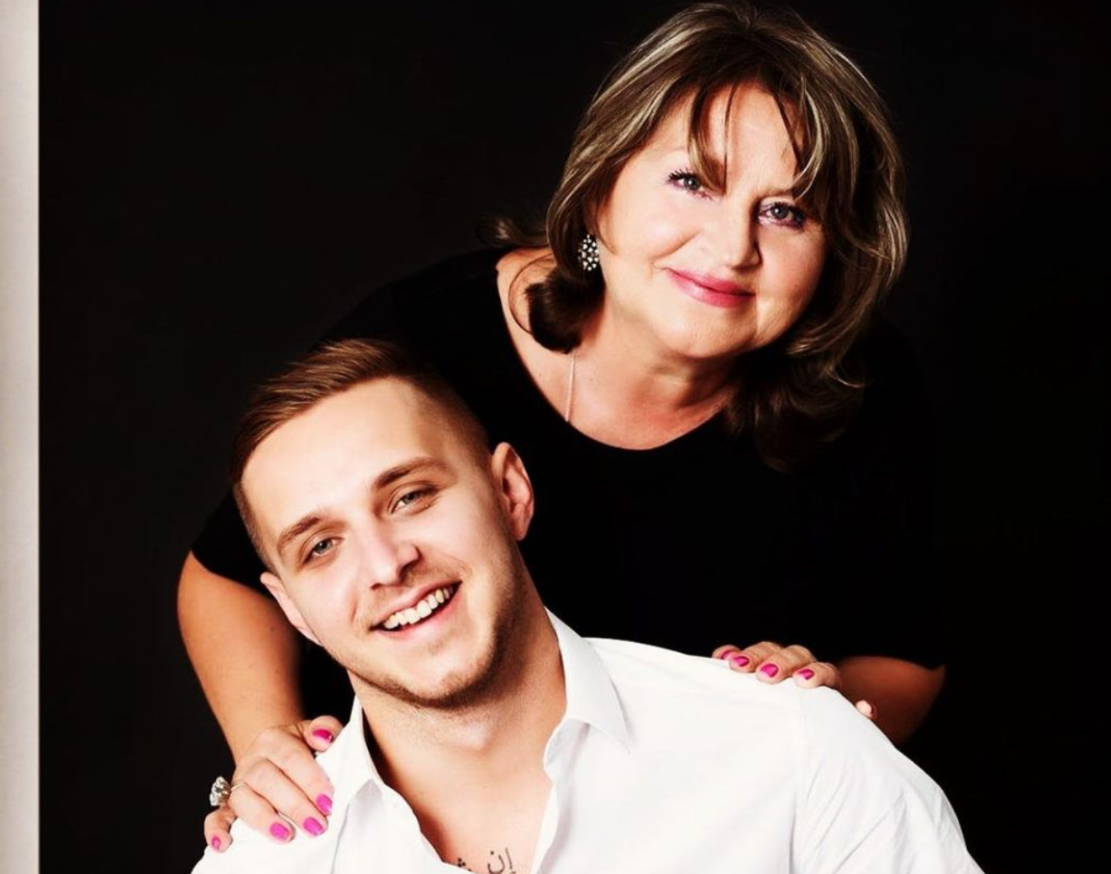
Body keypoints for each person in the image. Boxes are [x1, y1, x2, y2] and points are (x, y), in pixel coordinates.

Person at [179, 1, 947, 851]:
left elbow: (905, 658)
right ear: (601, 189)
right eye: (693, 181)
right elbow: (230, 571)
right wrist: (274, 758)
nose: (731, 247)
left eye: (787, 211)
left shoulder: (861, 393)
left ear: (833, 254)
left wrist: (817, 718)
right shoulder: (422, 346)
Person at [191, 337, 979, 874]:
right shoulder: (268, 858)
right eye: (320, 546)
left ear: (510, 492)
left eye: (410, 496)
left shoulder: (794, 753)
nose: (387, 563)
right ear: (292, 611)